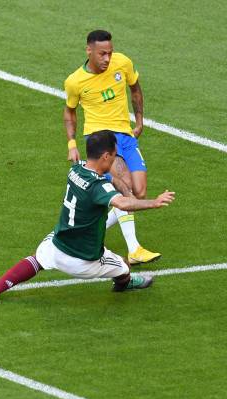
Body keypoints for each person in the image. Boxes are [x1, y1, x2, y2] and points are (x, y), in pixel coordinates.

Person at [0, 131, 175, 301]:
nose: (114, 160)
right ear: (105, 156)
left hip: (59, 241)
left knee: (37, 259)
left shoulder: (76, 169)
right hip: (84, 259)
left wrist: (119, 183)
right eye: (113, 156)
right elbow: (121, 202)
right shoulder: (98, 186)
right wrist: (153, 203)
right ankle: (125, 283)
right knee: (123, 265)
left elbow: (110, 180)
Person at [63, 29, 159, 265]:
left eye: (110, 53)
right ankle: (134, 249)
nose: (107, 59)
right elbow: (70, 111)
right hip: (101, 138)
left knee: (139, 192)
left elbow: (135, 88)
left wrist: (139, 120)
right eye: (102, 54)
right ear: (89, 51)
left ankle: (86, 231)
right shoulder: (75, 81)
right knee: (124, 189)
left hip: (125, 136)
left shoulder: (122, 63)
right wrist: (72, 143)